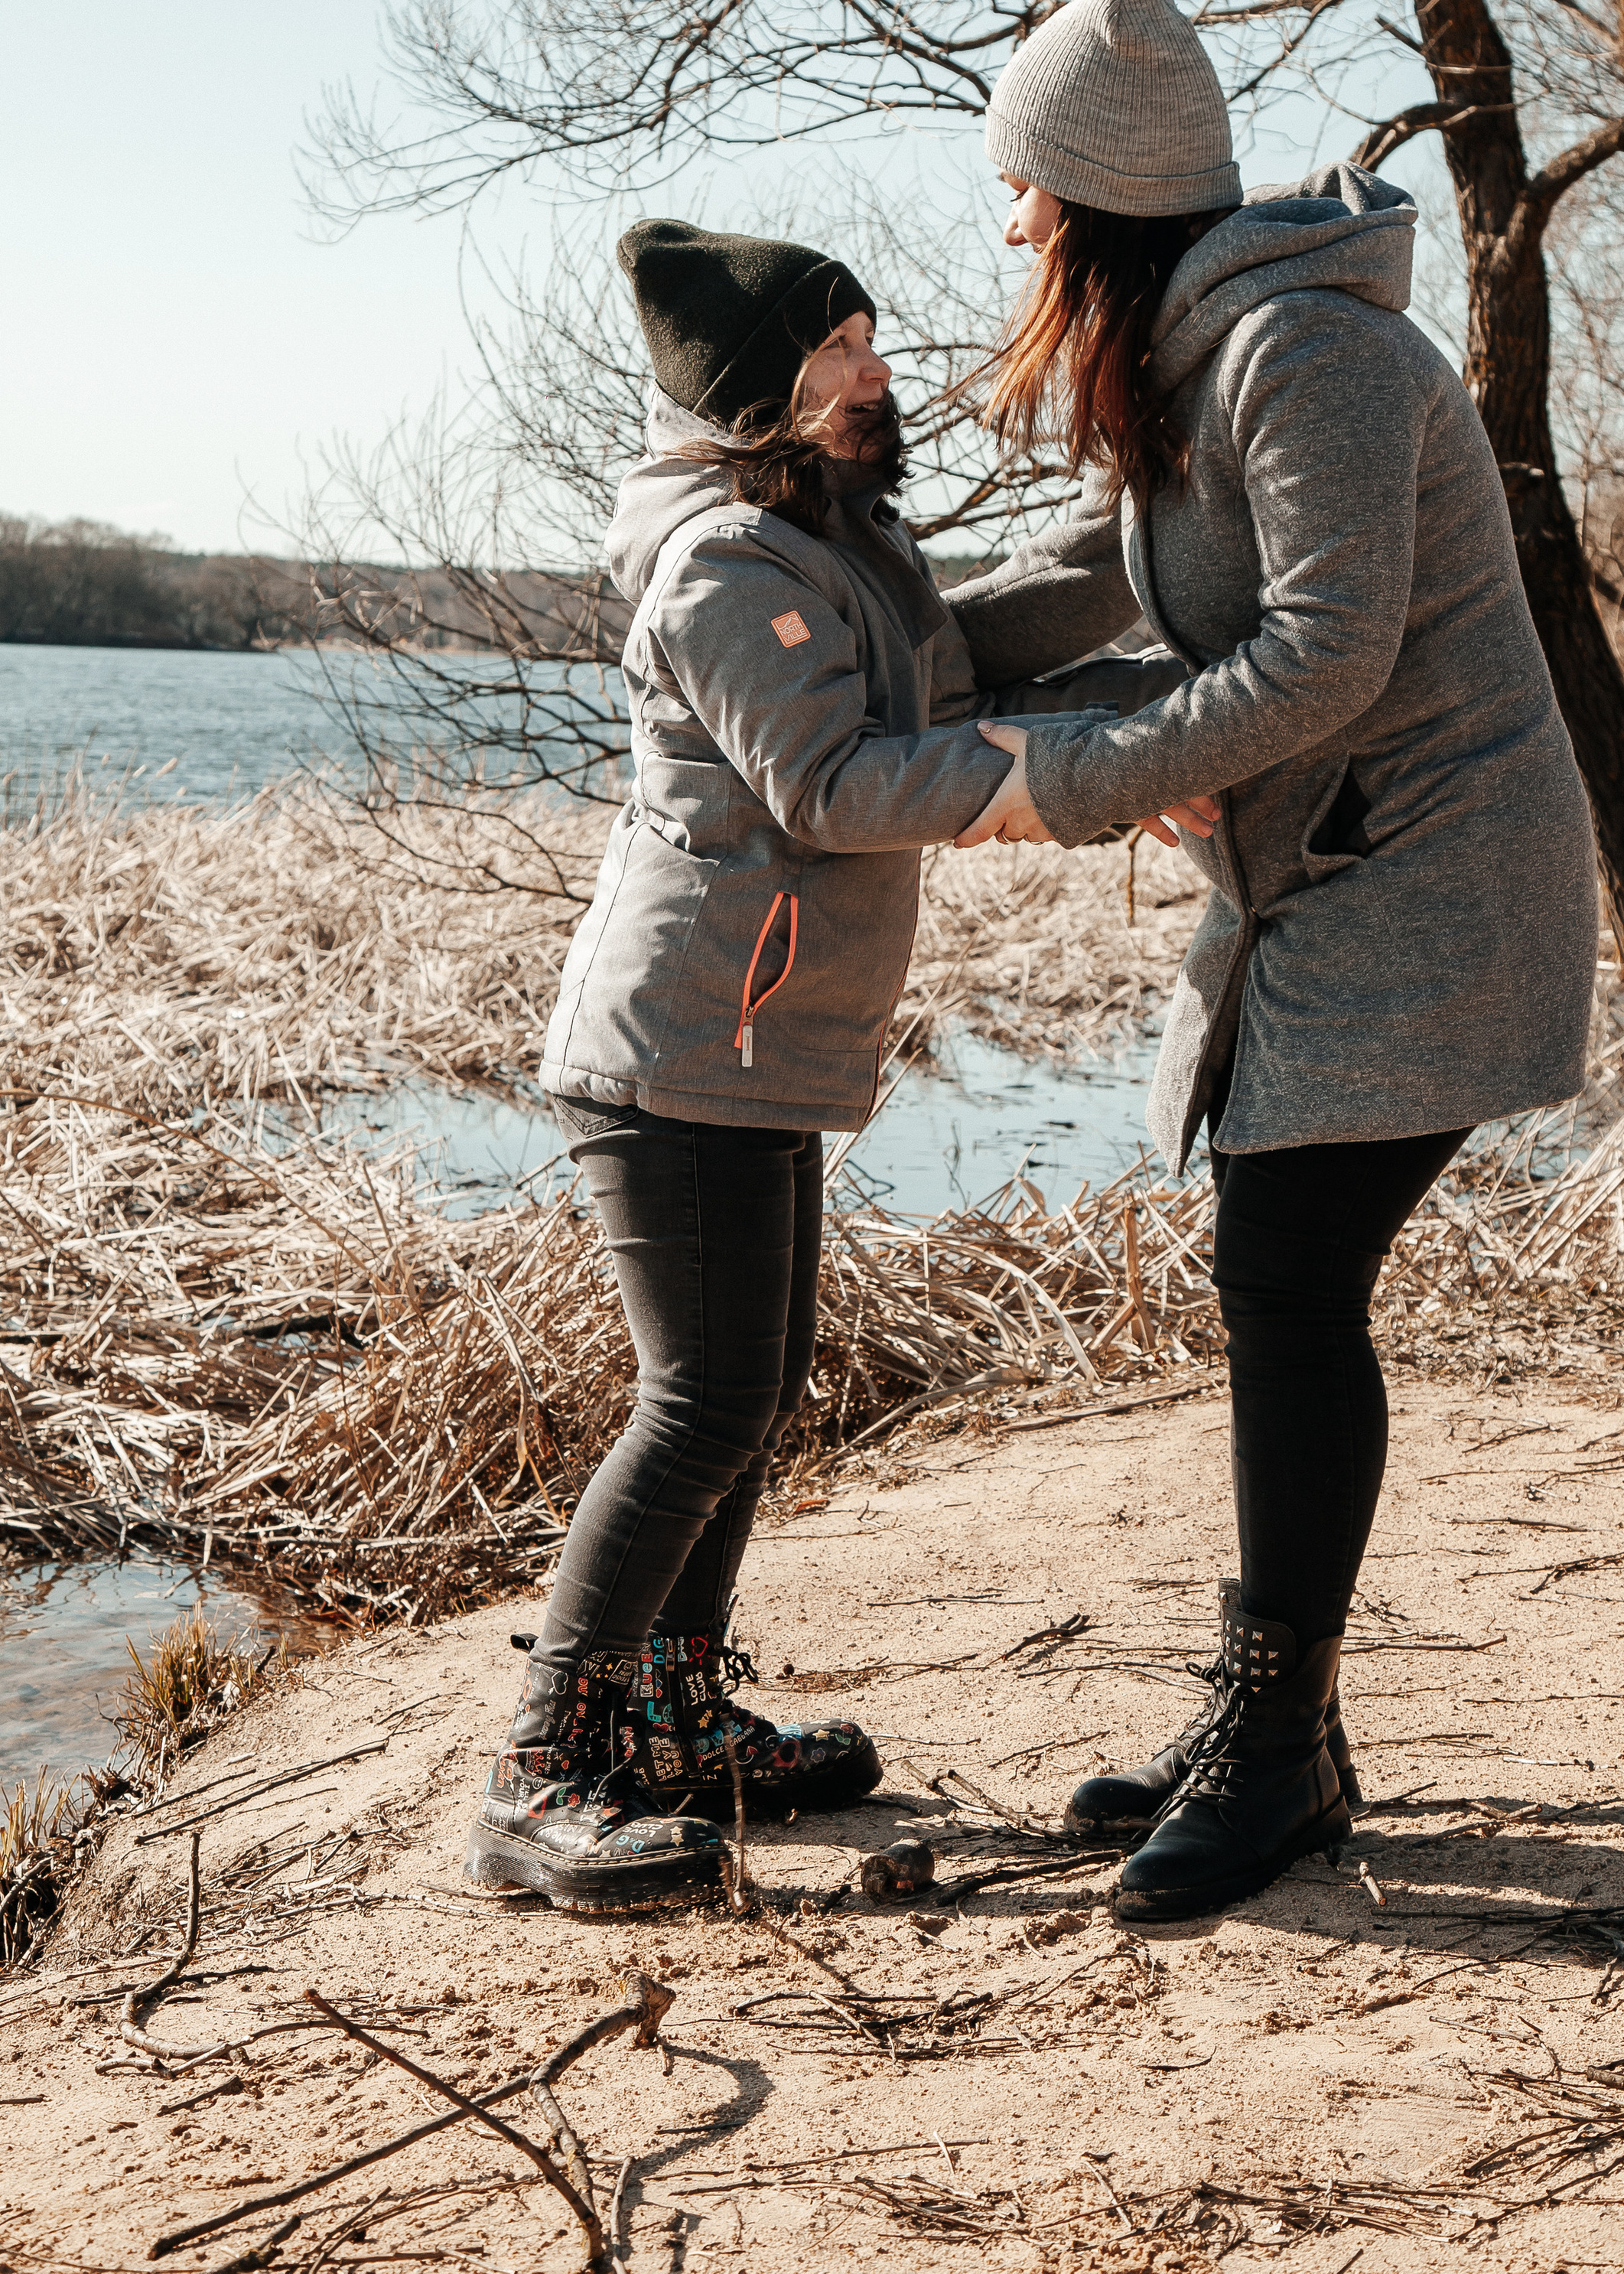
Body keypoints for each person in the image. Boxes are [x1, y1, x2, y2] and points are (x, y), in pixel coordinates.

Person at [949, 0, 1600, 1923]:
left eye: (1025, 185)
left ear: (1097, 197)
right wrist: (849, 652)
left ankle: (1275, 1746)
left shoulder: (1307, 355)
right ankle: (1273, 1727)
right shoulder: (1200, 364)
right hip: (1327, 880)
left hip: (1430, 875)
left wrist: (1066, 777)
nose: (1008, 221)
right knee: (1277, 1278)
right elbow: (1100, 577)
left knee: (1286, 1276)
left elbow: (1325, 647)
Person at [467, 219, 1202, 1914]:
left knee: (754, 1384)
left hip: (761, 1039)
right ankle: (538, 1770)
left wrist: (1147, 505)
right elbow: (832, 785)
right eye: (840, 352)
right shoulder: (723, 561)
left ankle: (669, 1716)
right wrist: (1085, 767)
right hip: (677, 1049)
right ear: (755, 396)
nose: (879, 372)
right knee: (703, 1397)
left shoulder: (837, 533)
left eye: (869, 339)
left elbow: (959, 661)